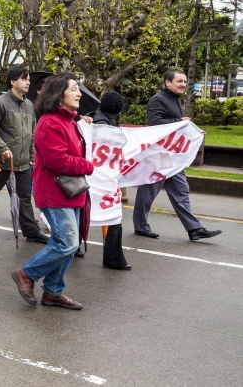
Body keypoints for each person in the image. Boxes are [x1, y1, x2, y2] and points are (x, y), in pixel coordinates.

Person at [11, 73, 94, 310]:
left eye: (79, 89)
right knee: (67, 243)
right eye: (74, 89)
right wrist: (88, 166)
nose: (79, 94)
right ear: (59, 96)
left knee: (66, 243)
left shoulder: (69, 121)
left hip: (71, 192)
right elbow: (58, 160)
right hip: (55, 192)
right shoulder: (51, 122)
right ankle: (26, 274)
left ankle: (53, 291)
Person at [133, 69, 221, 241]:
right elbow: (155, 124)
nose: (183, 84)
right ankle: (140, 226)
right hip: (158, 156)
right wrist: (180, 122)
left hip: (173, 157)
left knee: (182, 191)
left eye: (185, 82)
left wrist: (194, 132)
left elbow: (178, 127)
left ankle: (194, 229)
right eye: (179, 81)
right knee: (147, 192)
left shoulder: (175, 100)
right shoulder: (158, 100)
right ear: (167, 82)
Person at [0, 67, 48, 242]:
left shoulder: (29, 105)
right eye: (24, 79)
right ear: (13, 82)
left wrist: (32, 156)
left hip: (22, 162)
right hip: (2, 161)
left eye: (28, 79)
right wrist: (2, 148)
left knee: (24, 197)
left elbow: (31, 133)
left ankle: (31, 231)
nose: (28, 82)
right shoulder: (0, 103)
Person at [86, 91, 131, 270]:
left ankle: (73, 248)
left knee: (84, 213)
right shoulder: (104, 125)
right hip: (101, 180)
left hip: (92, 177)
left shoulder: (95, 119)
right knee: (113, 216)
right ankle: (113, 258)